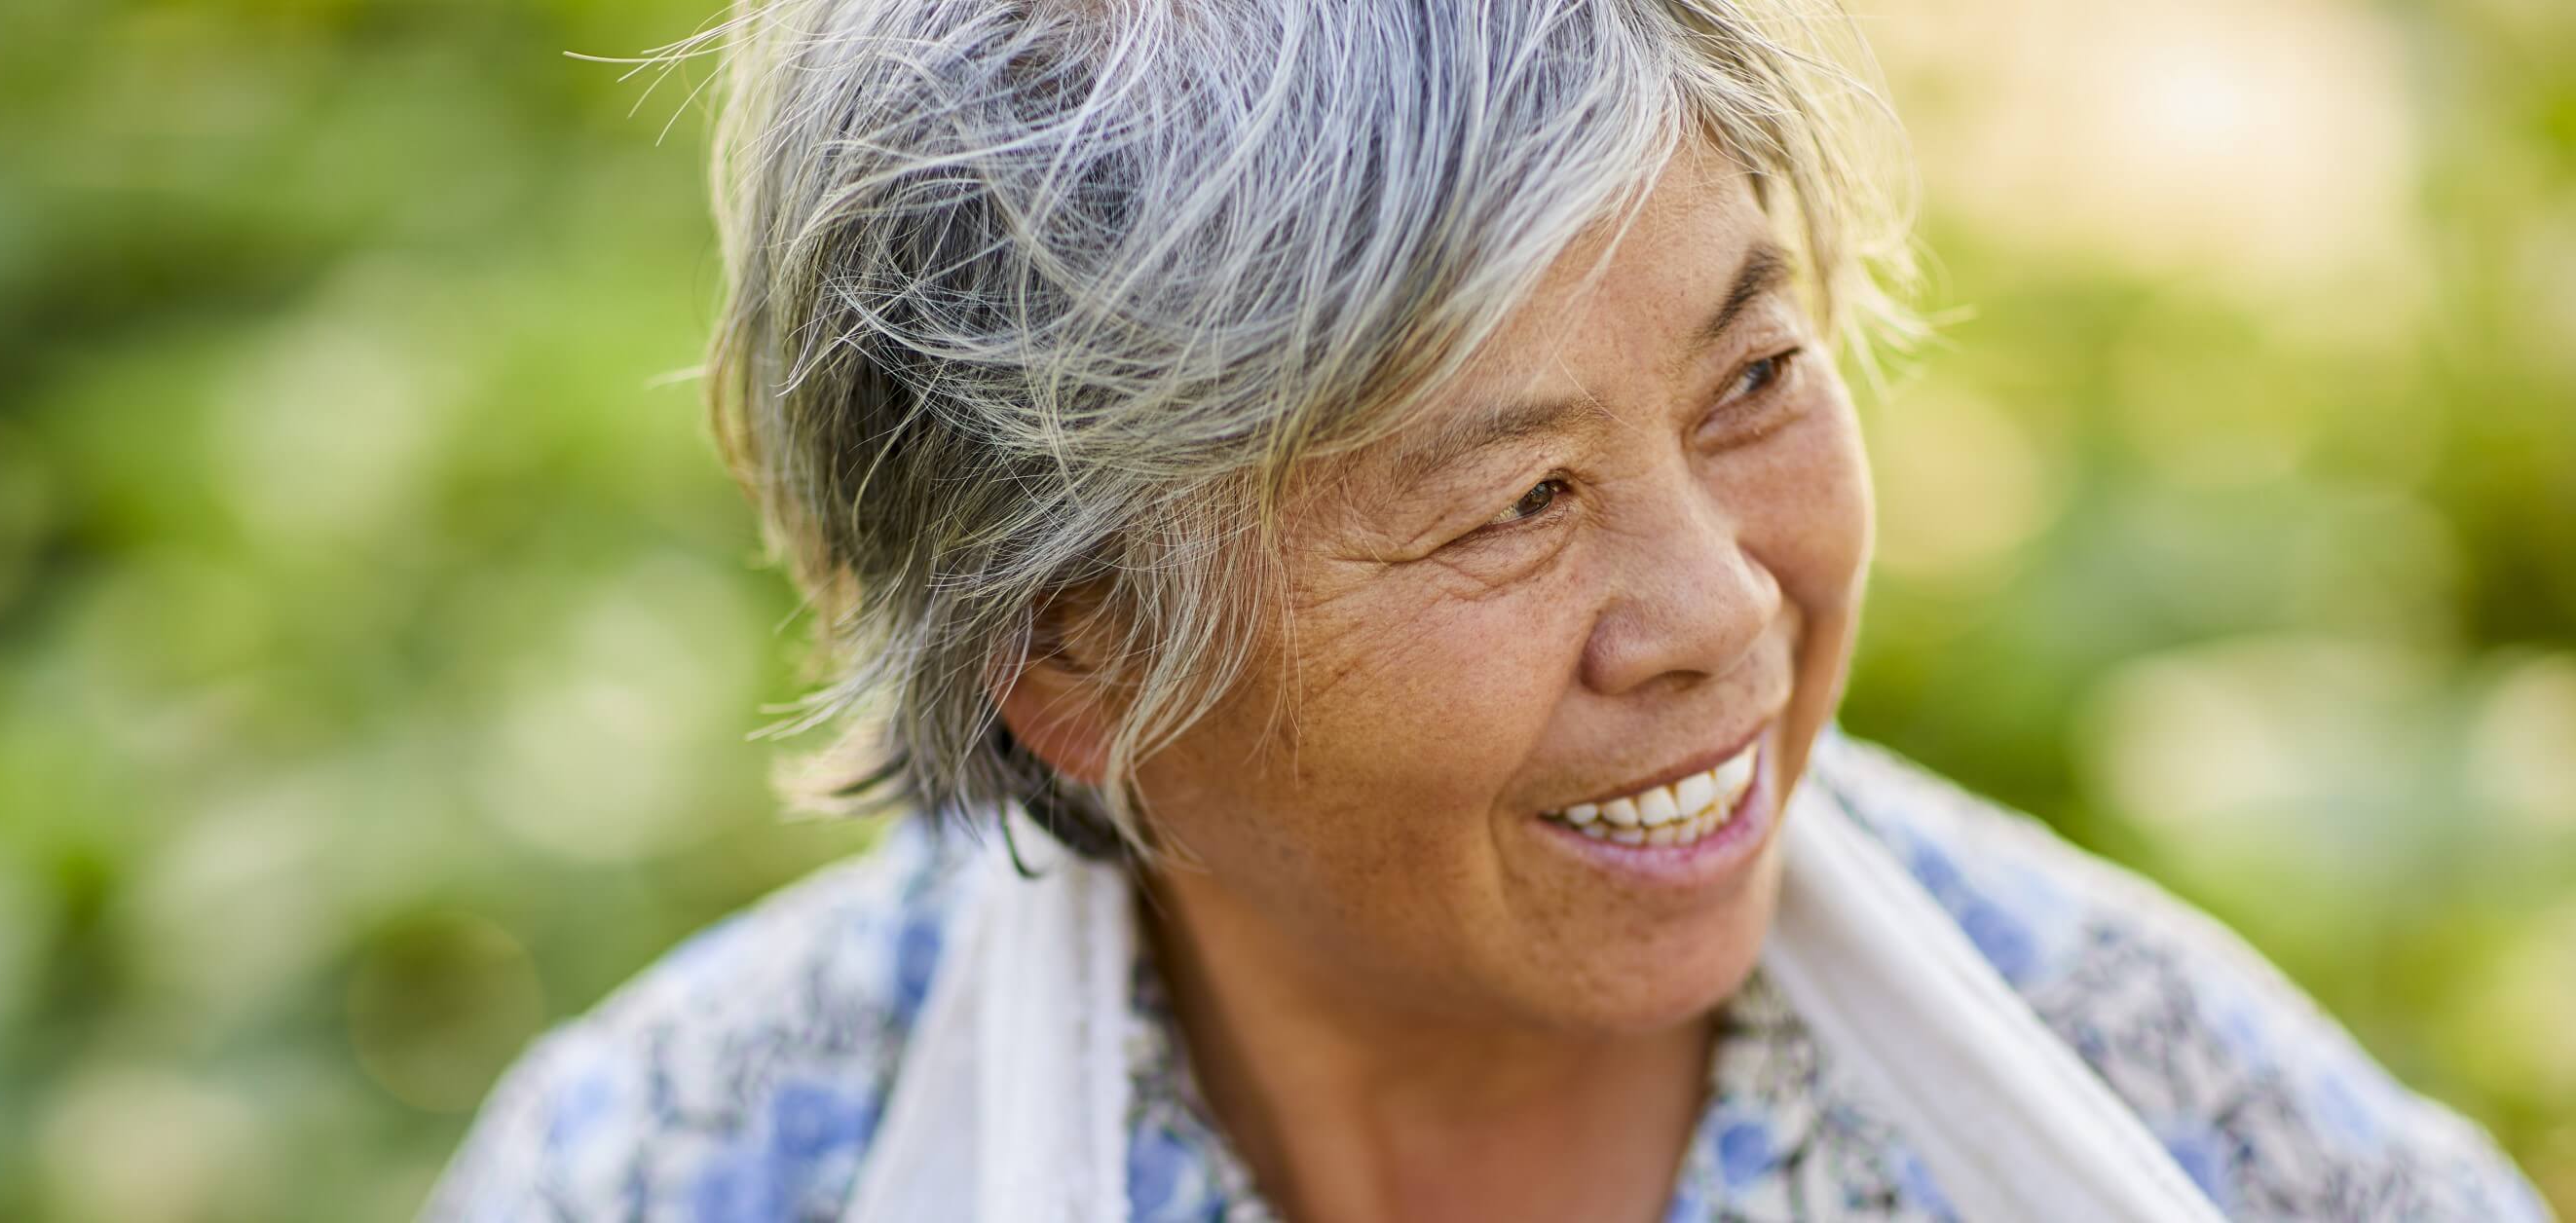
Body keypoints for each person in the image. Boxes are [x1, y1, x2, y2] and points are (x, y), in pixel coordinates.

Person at [428, 1, 2553, 1219]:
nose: (1720, 615)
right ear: (1073, 652)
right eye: (1516, 504)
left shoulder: (2178, 1129)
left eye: (1754, 382)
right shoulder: (696, 1165)